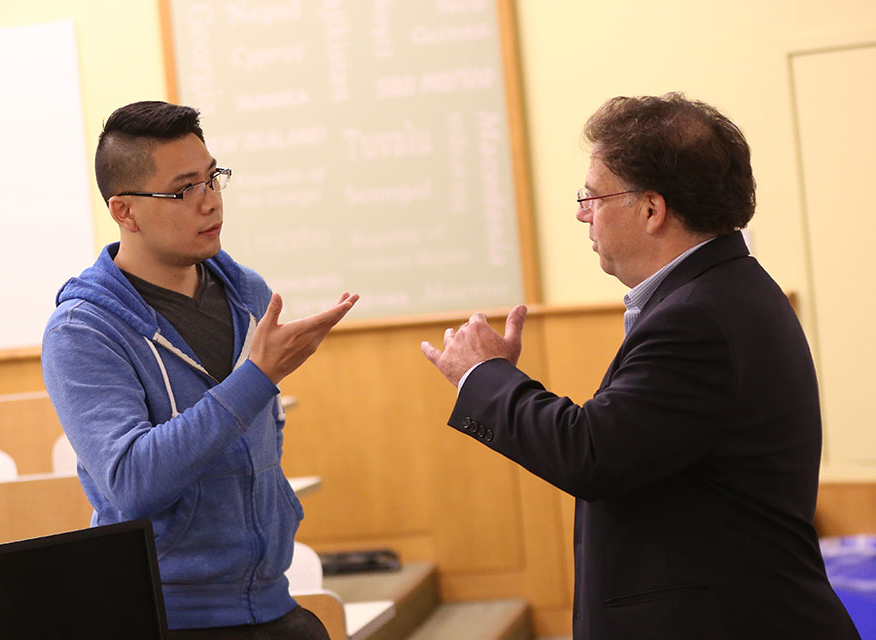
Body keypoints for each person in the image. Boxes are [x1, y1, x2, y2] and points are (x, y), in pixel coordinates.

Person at [420, 93, 859, 639]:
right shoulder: (720, 293)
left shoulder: (698, 317)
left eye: (592, 196)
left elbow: (593, 453)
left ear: (652, 209)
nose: (583, 213)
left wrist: (481, 375)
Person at [42, 101, 358, 638]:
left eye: (214, 178)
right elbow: (133, 482)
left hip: (272, 602)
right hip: (166, 617)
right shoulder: (82, 331)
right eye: (185, 188)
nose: (210, 202)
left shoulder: (249, 293)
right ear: (125, 211)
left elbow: (265, 437)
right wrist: (256, 378)